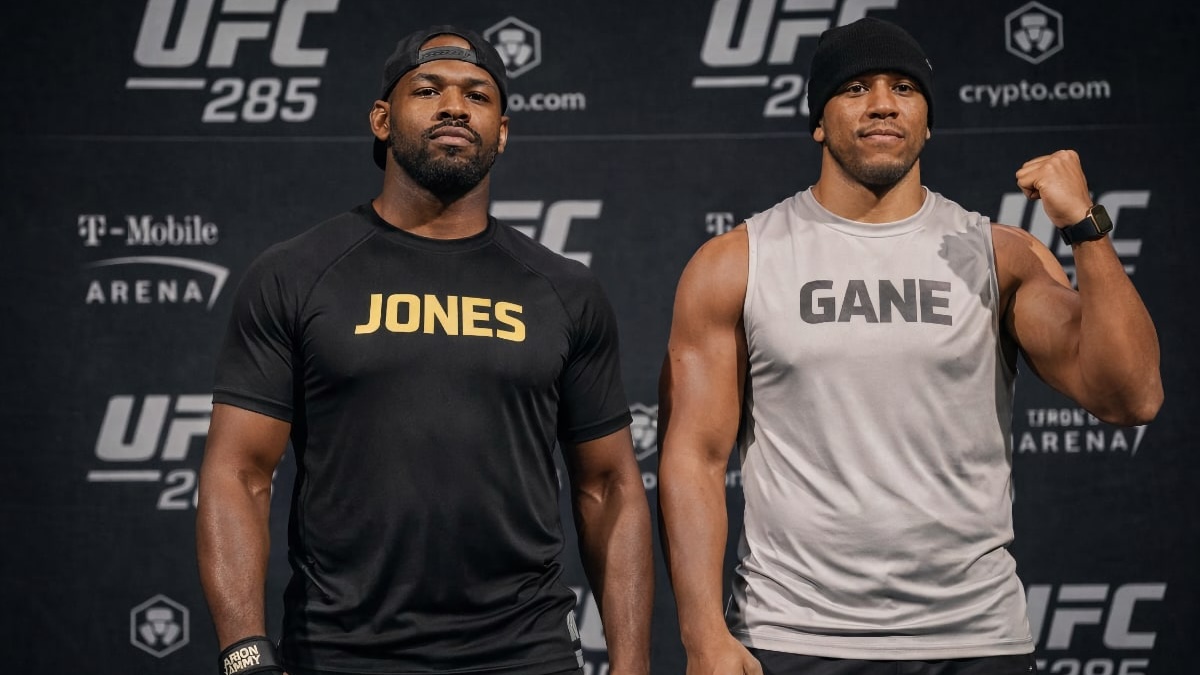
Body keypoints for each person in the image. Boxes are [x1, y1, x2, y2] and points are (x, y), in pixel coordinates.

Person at [657, 17, 1162, 675]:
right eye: (855, 88)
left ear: (926, 120)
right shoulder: (737, 263)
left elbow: (1131, 395)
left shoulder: (999, 255)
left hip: (975, 638)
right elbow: (694, 456)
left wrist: (1085, 229)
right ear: (818, 120)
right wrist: (703, 636)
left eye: (903, 87)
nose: (882, 103)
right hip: (797, 635)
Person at [196, 25, 653, 675]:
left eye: (477, 95)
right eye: (429, 89)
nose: (454, 106)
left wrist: (633, 667)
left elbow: (608, 486)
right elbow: (238, 475)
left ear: (501, 131)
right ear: (382, 119)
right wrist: (245, 654)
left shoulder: (564, 289)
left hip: (526, 652)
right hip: (342, 652)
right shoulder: (295, 275)